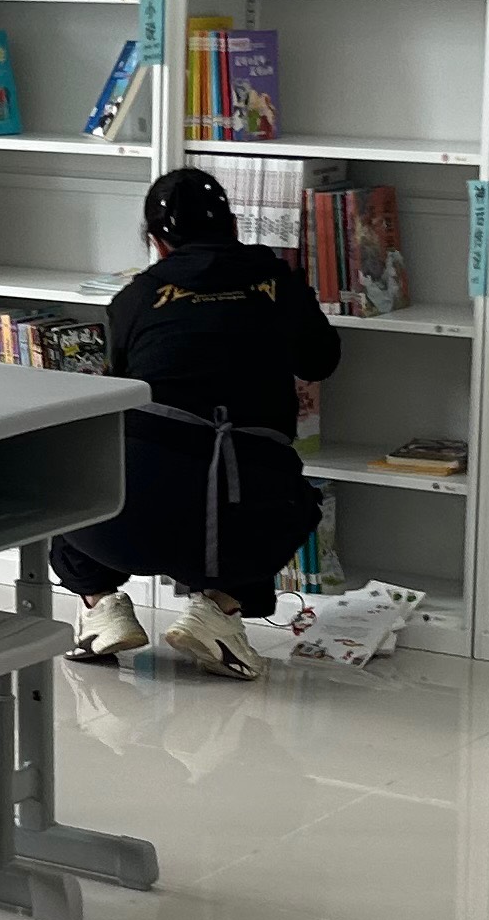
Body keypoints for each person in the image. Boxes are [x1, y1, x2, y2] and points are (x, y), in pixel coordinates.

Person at [55, 167, 339, 679]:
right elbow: (322, 361)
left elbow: (117, 385)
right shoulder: (278, 281)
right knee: (287, 498)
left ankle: (102, 608)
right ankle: (217, 612)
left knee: (74, 481)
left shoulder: (137, 296)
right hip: (238, 525)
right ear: (233, 226)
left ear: (157, 242)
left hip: (124, 524)